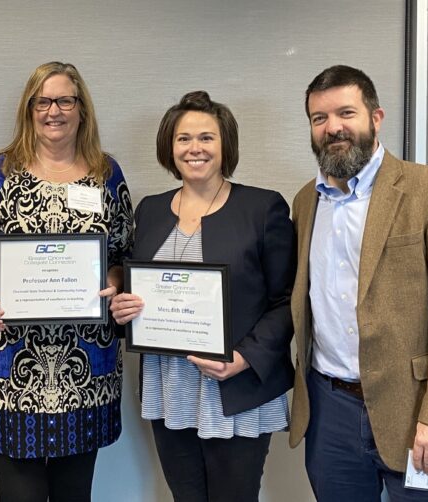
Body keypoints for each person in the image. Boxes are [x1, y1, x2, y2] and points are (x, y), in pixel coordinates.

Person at [288, 65, 428, 501]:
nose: (333, 128)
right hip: (330, 414)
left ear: (375, 118)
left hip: (418, 412)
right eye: (319, 118)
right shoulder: (306, 201)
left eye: (346, 113)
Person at [110, 91, 295, 502]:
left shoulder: (262, 208)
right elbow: (137, 283)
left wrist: (244, 358)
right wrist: (124, 304)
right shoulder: (151, 209)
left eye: (206, 138)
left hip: (235, 386)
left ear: (225, 144)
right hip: (170, 386)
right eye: (183, 138)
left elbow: (287, 302)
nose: (195, 148)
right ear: (169, 147)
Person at [0, 61, 133, 502]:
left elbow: (122, 255)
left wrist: (113, 283)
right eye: (43, 101)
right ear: (29, 109)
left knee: (75, 493)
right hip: (12, 368)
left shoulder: (105, 174)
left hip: (85, 368)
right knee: (19, 494)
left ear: (82, 110)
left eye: (64, 100)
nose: (53, 111)